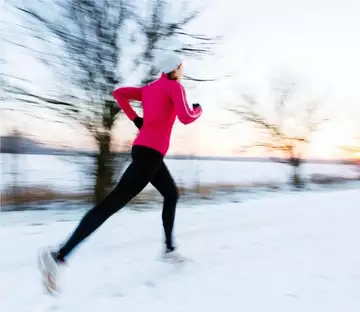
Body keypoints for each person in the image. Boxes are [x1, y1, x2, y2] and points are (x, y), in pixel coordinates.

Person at [37, 52, 203, 294]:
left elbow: (119, 94)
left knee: (171, 193)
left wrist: (136, 119)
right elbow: (186, 117)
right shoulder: (174, 87)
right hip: (150, 157)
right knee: (109, 206)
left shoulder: (149, 89)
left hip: (145, 153)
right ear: (175, 68)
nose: (182, 70)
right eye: (181, 66)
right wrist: (198, 109)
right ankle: (58, 256)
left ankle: (168, 250)